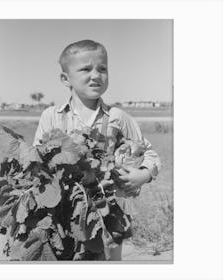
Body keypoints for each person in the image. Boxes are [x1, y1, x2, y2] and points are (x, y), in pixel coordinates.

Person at [32, 39, 161, 259]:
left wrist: (144, 174)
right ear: (65, 78)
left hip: (108, 208)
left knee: (108, 257)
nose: (96, 75)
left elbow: (149, 152)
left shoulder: (118, 117)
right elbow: (37, 159)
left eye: (102, 68)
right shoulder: (51, 116)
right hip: (66, 206)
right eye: (85, 69)